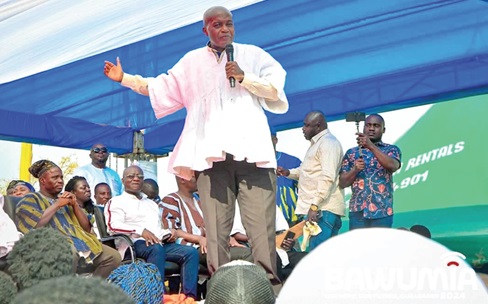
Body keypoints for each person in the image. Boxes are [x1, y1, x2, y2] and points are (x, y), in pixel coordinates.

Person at [103, 6, 288, 284]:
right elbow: (160, 86)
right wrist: (125, 79)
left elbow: (275, 90)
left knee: (261, 229)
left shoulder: (253, 55)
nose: (224, 29)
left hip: (254, 158)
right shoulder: (192, 62)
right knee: (215, 232)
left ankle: (267, 290)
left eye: (229, 24)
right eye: (217, 25)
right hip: (211, 160)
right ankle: (221, 290)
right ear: (206, 30)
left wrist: (244, 77)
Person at [105, 165, 199, 299]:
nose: (136, 179)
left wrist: (168, 233)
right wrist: (141, 231)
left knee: (190, 252)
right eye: (131, 176)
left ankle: (189, 298)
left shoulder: (151, 204)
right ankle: (156, 297)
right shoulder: (116, 202)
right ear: (123, 180)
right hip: (132, 244)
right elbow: (113, 226)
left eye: (140, 176)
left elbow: (157, 229)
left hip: (157, 243)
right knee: (156, 249)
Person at [15, 160, 121, 278]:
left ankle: (90, 290)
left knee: (114, 257)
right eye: (55, 177)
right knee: (68, 252)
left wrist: (75, 205)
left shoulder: (66, 199)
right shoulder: (30, 199)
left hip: (80, 242)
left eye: (61, 177)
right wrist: (57, 205)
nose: (60, 181)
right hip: (50, 245)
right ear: (42, 180)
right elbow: (34, 225)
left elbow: (86, 228)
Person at [276, 111, 344, 251]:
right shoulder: (316, 144)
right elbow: (305, 171)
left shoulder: (328, 144)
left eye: (307, 126)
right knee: (318, 255)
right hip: (318, 210)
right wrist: (287, 173)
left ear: (318, 126)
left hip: (323, 211)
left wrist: (314, 206)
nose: (303, 129)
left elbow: (328, 177)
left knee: (319, 256)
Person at [161, 174, 253, 268]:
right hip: (193, 247)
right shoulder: (171, 200)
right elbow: (172, 231)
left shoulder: (199, 199)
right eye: (194, 176)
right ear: (183, 179)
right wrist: (199, 239)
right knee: (246, 255)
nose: (198, 179)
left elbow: (213, 225)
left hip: (212, 244)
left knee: (252, 251)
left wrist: (226, 238)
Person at [339, 114, 402, 229]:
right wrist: (355, 170)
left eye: (376, 125)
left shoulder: (391, 150)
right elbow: (342, 183)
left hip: (382, 211)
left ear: (383, 130)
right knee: (359, 247)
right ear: (363, 128)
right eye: (368, 125)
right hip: (358, 212)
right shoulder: (352, 153)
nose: (371, 128)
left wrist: (370, 146)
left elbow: (393, 166)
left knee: (380, 246)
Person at [231, 203, 307, 282]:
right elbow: (237, 234)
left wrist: (288, 242)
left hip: (277, 248)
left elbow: (282, 231)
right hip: (252, 248)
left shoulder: (271, 204)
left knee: (304, 259)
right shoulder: (238, 205)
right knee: (273, 258)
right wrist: (262, 238)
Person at [271, 129, 302, 226]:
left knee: (291, 241)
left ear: (275, 140)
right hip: (265, 220)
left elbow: (305, 189)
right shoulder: (253, 165)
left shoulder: (293, 161)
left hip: (290, 219)